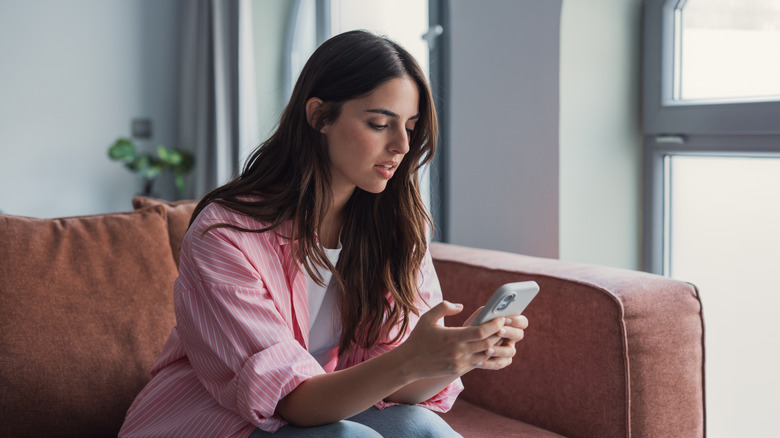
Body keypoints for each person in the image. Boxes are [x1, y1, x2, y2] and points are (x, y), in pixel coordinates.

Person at [119, 30, 529, 438]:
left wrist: (453, 357)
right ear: (318, 116)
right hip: (214, 420)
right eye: (379, 123)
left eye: (410, 126)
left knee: (421, 428)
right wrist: (411, 360)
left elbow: (400, 389)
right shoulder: (224, 235)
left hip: (323, 414)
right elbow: (291, 399)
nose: (402, 145)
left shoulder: (395, 228)